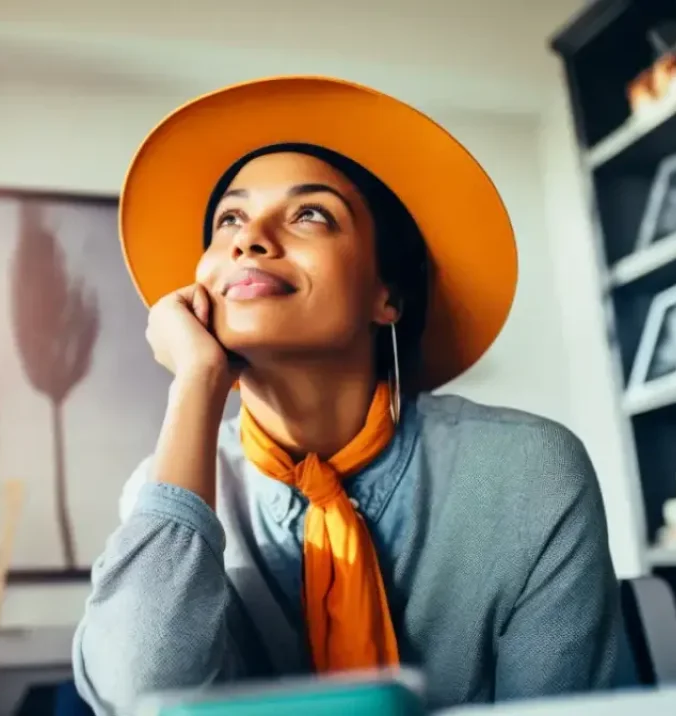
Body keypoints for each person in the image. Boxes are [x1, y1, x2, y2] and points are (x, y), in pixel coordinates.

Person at [72, 76, 623, 715]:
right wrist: (196, 383)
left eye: (311, 213)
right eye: (230, 218)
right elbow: (137, 696)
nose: (248, 240)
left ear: (386, 296)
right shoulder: (168, 489)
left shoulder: (529, 473)